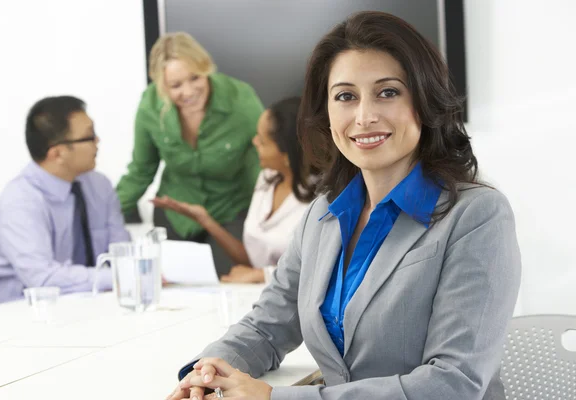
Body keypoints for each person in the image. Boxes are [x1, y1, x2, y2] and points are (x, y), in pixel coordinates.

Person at [166, 11, 521, 400]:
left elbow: (453, 384)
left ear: (423, 100)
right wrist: (206, 373)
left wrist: (274, 398)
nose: (364, 117)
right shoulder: (322, 214)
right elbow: (265, 327)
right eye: (345, 96)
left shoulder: (477, 215)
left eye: (388, 92)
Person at [116, 32, 264, 277]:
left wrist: (271, 220)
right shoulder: (150, 106)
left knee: (227, 286)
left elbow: (265, 162)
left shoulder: (240, 100)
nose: (188, 91)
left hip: (230, 212)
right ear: (161, 85)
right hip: (176, 214)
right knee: (173, 290)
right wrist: (102, 218)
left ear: (206, 68)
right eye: (175, 85)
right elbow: (140, 170)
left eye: (195, 78)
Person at [152, 97, 316, 283]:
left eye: (262, 141)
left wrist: (261, 275)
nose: (254, 142)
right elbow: (252, 259)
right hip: (261, 296)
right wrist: (206, 220)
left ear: (288, 154)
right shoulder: (267, 179)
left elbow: (318, 270)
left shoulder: (324, 198)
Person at [0, 96, 131, 304]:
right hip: (28, 316)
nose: (97, 142)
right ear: (57, 153)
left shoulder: (100, 186)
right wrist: (119, 277)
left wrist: (128, 273)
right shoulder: (20, 199)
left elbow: (124, 254)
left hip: (96, 306)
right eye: (89, 136)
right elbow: (43, 278)